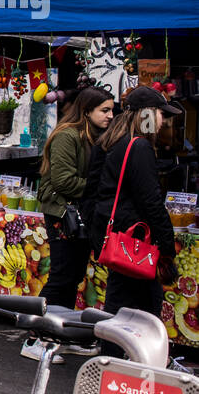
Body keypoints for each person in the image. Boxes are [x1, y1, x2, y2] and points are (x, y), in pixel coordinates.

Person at [92, 86, 183, 320]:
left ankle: (114, 353)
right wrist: (166, 246)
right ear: (148, 115)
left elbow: (93, 190)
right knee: (143, 309)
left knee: (121, 303)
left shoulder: (110, 141)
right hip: (134, 240)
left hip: (115, 235)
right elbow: (151, 201)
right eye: (161, 114)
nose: (163, 121)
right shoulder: (139, 146)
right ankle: (125, 355)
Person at [36, 87, 114, 309]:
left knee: (73, 276)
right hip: (63, 212)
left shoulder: (97, 136)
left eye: (111, 110)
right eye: (104, 110)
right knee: (62, 276)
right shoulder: (67, 136)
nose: (110, 115)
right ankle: (37, 329)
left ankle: (59, 326)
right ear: (87, 111)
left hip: (82, 212)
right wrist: (100, 190)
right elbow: (63, 181)